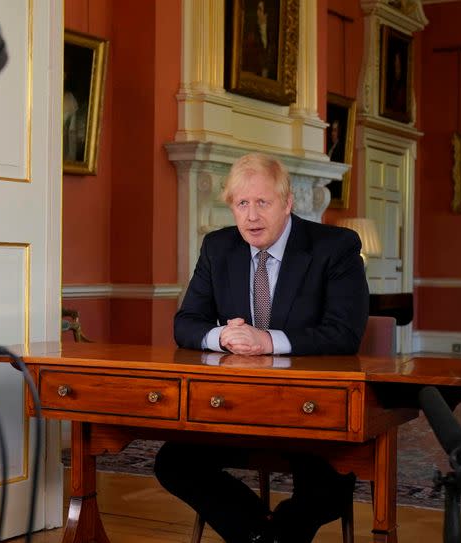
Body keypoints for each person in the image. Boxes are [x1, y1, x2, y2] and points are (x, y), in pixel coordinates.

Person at [156, 153, 369, 543]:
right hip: (238, 406)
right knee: (174, 462)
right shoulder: (218, 248)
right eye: (242, 204)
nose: (252, 216)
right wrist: (221, 336)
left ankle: (274, 533)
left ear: (287, 203)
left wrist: (267, 341)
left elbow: (344, 334)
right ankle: (259, 534)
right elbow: (186, 324)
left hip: (313, 410)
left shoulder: (334, 246)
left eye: (262, 203)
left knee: (329, 482)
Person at [241, 0, 278, 79]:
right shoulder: (252, 33)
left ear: (266, 14)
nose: (257, 12)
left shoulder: (273, 34)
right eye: (257, 9)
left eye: (260, 9)